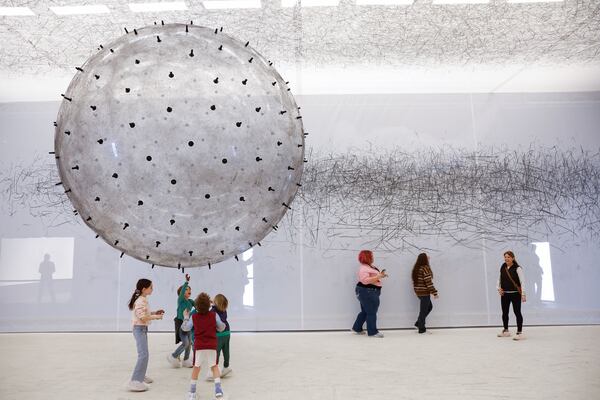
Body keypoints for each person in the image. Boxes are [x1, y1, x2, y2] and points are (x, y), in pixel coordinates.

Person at [182, 292, 226, 399]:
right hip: (211, 345)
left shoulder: (194, 317)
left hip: (199, 346)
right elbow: (221, 327)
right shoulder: (213, 315)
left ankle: (192, 393)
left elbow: (186, 328)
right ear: (209, 305)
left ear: (196, 306)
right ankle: (218, 390)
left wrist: (186, 317)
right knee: (214, 366)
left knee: (196, 368)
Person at [127, 279, 164, 392]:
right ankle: (135, 381)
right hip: (139, 329)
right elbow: (142, 317)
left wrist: (154, 313)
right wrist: (156, 317)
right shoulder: (140, 301)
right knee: (143, 355)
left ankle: (141, 376)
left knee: (145, 354)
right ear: (144, 289)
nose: (152, 289)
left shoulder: (143, 299)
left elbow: (144, 314)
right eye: (151, 287)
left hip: (142, 328)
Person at [351, 250, 388, 338]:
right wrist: (378, 276)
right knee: (371, 312)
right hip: (368, 292)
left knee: (365, 311)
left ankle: (357, 328)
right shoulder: (364, 268)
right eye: (371, 256)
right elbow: (365, 281)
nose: (373, 257)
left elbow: (372, 277)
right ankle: (372, 332)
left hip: (367, 291)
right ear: (368, 258)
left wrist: (381, 275)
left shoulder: (369, 266)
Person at [497, 250, 527, 340]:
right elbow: (499, 279)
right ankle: (506, 331)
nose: (506, 258)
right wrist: (499, 288)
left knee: (517, 312)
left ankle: (519, 333)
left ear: (513, 258)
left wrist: (523, 294)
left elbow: (523, 282)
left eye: (508, 257)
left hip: (515, 294)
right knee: (504, 313)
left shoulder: (518, 268)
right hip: (505, 294)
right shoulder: (503, 266)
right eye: (505, 257)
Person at [168, 273, 195, 368]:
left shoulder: (190, 302)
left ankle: (186, 360)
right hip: (180, 324)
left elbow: (198, 306)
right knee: (185, 343)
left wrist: (206, 303)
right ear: (181, 293)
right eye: (187, 289)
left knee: (190, 343)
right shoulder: (181, 300)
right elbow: (183, 290)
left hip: (187, 324)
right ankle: (174, 355)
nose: (189, 290)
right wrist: (186, 282)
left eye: (189, 289)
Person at [411, 253, 439, 334]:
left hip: (419, 292)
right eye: (427, 257)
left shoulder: (417, 268)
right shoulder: (425, 268)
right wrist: (435, 293)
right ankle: (422, 329)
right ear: (424, 259)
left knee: (429, 307)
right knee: (423, 310)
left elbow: (415, 282)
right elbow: (428, 282)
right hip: (424, 292)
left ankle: (418, 323)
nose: (429, 257)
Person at [212, 294, 232, 378]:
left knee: (216, 352)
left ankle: (215, 368)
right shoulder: (224, 310)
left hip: (218, 334)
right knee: (226, 350)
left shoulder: (213, 311)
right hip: (227, 332)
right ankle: (226, 366)